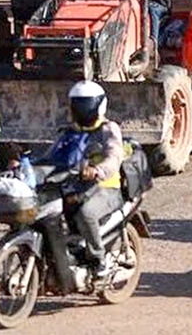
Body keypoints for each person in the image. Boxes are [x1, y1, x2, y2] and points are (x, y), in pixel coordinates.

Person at [43, 81, 124, 278]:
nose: (82, 110)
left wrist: (97, 170)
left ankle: (99, 260)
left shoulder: (108, 129)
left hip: (106, 187)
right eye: (78, 105)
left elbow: (115, 156)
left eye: (86, 105)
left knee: (86, 213)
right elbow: (52, 154)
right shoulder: (70, 131)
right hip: (76, 187)